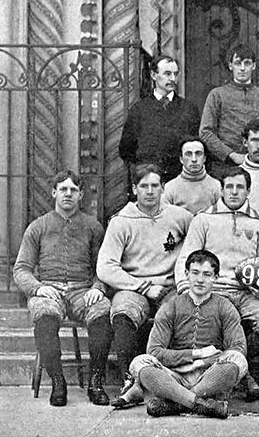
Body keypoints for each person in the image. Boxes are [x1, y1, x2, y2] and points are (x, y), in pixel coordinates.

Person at [175, 167, 259, 402]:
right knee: (213, 324)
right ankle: (243, 376)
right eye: (229, 187)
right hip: (213, 288)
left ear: (248, 191)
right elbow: (186, 257)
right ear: (221, 190)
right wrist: (186, 287)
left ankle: (235, 365)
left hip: (248, 291)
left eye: (240, 187)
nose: (234, 192)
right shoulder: (204, 218)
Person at [13, 170, 112, 407]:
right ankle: (58, 382)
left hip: (82, 290)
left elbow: (105, 266)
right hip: (49, 289)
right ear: (54, 193)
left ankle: (95, 382)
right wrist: (37, 288)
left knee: (101, 313)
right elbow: (21, 269)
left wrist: (98, 287)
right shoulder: (38, 227)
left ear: (81, 195)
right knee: (44, 317)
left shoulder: (92, 227)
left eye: (73, 190)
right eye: (63, 189)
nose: (68, 194)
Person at [97, 163, 193, 399]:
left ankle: (176, 379)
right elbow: (105, 267)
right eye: (144, 186)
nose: (149, 191)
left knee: (182, 311)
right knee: (122, 314)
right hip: (134, 285)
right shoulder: (121, 221)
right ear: (134, 189)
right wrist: (142, 286)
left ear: (162, 188)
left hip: (169, 286)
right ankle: (131, 381)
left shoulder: (180, 217)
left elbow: (197, 246)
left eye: (154, 186)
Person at [118, 250, 247, 419]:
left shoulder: (225, 306)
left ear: (216, 277)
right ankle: (200, 404)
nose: (200, 280)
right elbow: (155, 351)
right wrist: (196, 354)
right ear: (186, 274)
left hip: (209, 374)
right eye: (195, 273)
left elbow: (238, 347)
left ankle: (176, 403)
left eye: (207, 274)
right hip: (174, 375)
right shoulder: (171, 307)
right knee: (139, 362)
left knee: (237, 359)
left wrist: (206, 360)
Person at [120, 54, 199, 184]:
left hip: (179, 180)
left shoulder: (189, 109)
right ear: (153, 75)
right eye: (167, 74)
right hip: (148, 180)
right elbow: (126, 149)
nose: (172, 79)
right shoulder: (139, 109)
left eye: (175, 74)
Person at [200, 44, 259, 177]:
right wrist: (230, 154)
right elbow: (205, 132)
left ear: (254, 66)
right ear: (230, 66)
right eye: (238, 63)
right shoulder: (217, 95)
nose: (243, 68)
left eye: (247, 63)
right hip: (223, 166)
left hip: (256, 165)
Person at [162, 137, 221, 215]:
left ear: (204, 158)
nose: (194, 159)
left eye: (198, 153)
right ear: (181, 159)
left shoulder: (216, 186)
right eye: (188, 154)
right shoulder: (170, 188)